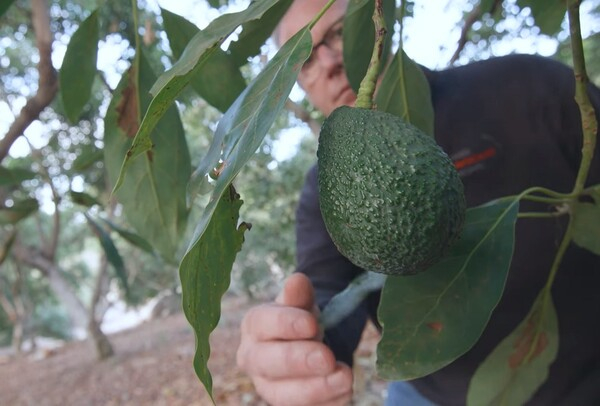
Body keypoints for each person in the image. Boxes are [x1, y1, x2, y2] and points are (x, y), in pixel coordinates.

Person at [236, 0, 600, 405]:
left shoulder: (527, 85)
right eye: (303, 59)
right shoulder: (325, 184)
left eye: (339, 32)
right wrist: (299, 343)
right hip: (428, 392)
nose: (329, 63)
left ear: (381, 24)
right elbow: (328, 293)